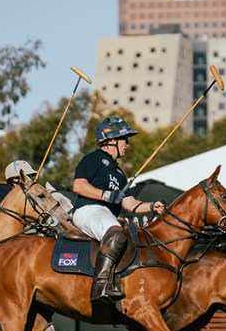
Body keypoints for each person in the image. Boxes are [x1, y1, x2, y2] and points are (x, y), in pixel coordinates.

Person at [71, 117, 167, 304]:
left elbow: (130, 204)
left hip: (106, 214)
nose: (128, 145)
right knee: (116, 234)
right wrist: (106, 195)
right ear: (112, 140)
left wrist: (151, 205)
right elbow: (79, 186)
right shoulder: (93, 159)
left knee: (127, 237)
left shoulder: (120, 173)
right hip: (88, 210)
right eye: (125, 139)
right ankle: (99, 286)